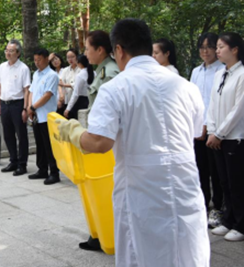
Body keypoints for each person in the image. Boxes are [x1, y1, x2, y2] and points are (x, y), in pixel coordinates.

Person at [58, 18, 210, 267]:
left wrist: (72, 131)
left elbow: (99, 142)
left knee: (144, 255)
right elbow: (196, 132)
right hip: (184, 189)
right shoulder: (185, 86)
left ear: (118, 50)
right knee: (187, 255)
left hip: (142, 192)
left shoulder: (116, 88)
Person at [78, 29, 120, 252]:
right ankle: (99, 234)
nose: (85, 53)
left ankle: (109, 235)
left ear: (100, 49)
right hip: (97, 134)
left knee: (106, 190)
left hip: (106, 139)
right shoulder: (101, 71)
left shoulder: (110, 73)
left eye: (88, 49)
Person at [206, 32, 244, 242]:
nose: (217, 50)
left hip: (234, 137)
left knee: (236, 182)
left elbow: (238, 109)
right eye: (217, 47)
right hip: (217, 137)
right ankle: (228, 220)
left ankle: (240, 224)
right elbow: (212, 104)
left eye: (221, 47)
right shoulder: (220, 74)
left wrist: (220, 133)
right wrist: (212, 130)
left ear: (235, 49)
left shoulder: (242, 74)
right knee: (223, 181)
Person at [190, 33, 224, 227]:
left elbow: (215, 102)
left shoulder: (222, 70)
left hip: (214, 129)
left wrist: (206, 125)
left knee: (216, 171)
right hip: (196, 129)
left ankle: (218, 207)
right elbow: (193, 100)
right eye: (202, 47)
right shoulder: (196, 71)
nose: (205, 51)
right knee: (200, 169)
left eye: (209, 47)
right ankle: (203, 204)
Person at [0, 39, 31, 176]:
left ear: (18, 53)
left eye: (11, 51)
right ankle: (13, 161)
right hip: (4, 103)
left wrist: (25, 108)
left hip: (18, 104)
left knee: (21, 135)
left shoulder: (23, 68)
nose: (8, 53)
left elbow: (26, 90)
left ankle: (22, 164)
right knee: (8, 134)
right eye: (7, 50)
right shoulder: (2, 67)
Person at [27, 48, 60, 184]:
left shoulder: (52, 75)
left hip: (47, 116)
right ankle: (42, 169)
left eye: (39, 60)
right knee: (39, 144)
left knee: (49, 145)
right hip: (36, 116)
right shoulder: (36, 74)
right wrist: (30, 107)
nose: (37, 62)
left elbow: (47, 95)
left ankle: (54, 173)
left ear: (47, 59)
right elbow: (31, 92)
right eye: (35, 60)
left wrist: (33, 107)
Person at [64, 55, 93, 120]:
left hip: (81, 102)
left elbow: (76, 94)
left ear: (79, 63)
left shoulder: (80, 75)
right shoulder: (94, 73)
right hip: (91, 100)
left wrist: (68, 108)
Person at [59, 49, 80, 114]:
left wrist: (65, 85)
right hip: (67, 100)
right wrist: (61, 95)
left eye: (72, 57)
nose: (70, 59)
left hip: (78, 100)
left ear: (77, 56)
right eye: (68, 57)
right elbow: (60, 82)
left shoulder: (81, 69)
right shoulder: (65, 70)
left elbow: (77, 85)